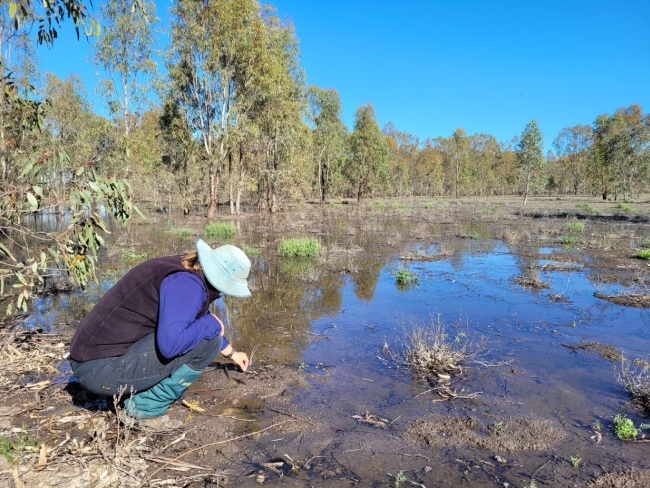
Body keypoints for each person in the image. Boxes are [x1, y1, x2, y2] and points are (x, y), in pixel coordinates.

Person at [69, 239, 251, 429]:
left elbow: (191, 316)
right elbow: (171, 345)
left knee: (207, 332)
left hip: (90, 359)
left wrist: (231, 353)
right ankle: (144, 411)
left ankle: (133, 394)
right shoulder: (187, 285)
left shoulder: (185, 269)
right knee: (209, 342)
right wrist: (210, 324)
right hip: (99, 371)